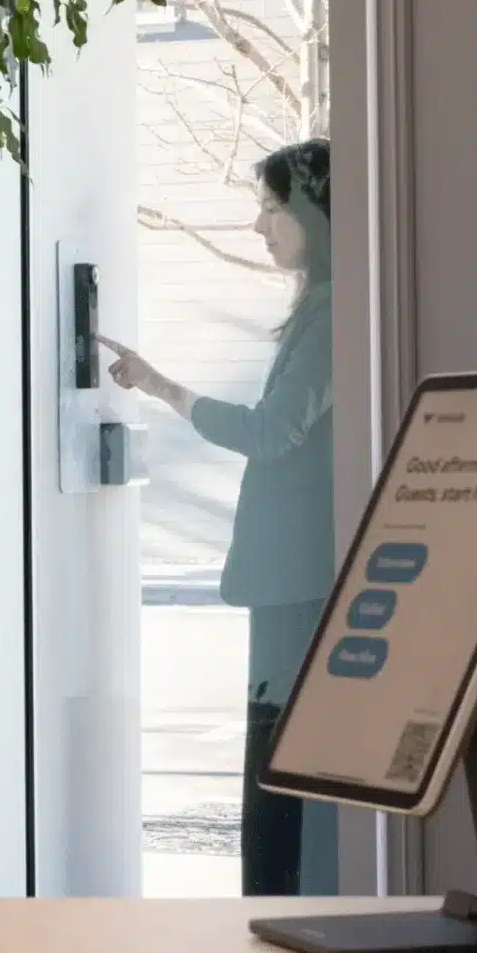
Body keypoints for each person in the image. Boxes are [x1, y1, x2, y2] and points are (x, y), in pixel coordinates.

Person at [99, 138, 334, 897]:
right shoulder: (321, 308)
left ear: (314, 213)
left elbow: (272, 430)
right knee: (278, 761)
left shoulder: (334, 314)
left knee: (281, 766)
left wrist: (167, 389)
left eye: (271, 209)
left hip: (299, 583)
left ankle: (278, 918)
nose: (259, 227)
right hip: (292, 579)